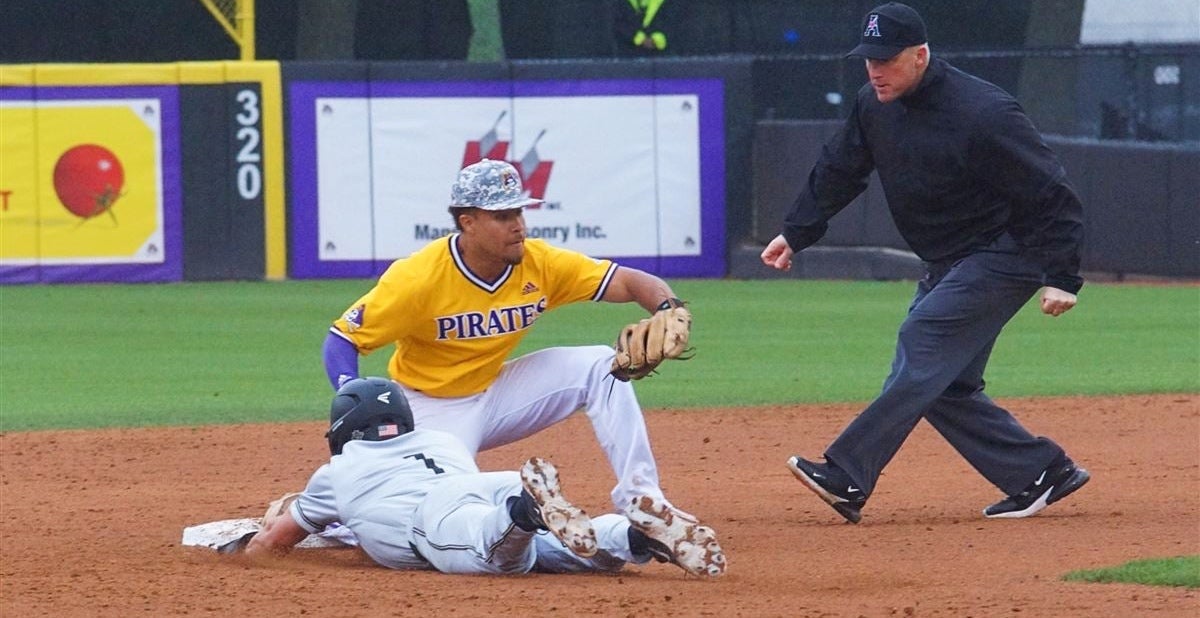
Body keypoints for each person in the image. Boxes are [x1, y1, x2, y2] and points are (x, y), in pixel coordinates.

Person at [760, 2, 1090, 523]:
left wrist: (1062, 276)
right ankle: (1039, 471)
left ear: (920, 55)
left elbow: (1052, 191)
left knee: (921, 343)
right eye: (868, 58)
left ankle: (847, 473)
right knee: (940, 382)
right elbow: (841, 167)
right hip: (948, 259)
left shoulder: (983, 110)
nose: (874, 69)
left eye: (886, 59)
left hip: (1008, 250)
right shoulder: (874, 104)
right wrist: (796, 232)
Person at [322, 158, 713, 530]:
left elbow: (628, 281)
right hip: (432, 410)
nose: (518, 226)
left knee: (602, 367)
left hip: (497, 394)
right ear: (468, 222)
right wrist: (351, 397)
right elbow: (342, 338)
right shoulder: (417, 279)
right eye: (503, 216)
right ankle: (324, 520)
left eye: (519, 213)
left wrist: (669, 307)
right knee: (421, 509)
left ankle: (642, 500)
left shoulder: (538, 263)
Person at [245, 378, 726, 577]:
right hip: (482, 485)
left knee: (497, 558)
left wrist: (251, 555)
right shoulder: (440, 440)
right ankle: (633, 537)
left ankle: (525, 512)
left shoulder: (338, 471)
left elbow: (275, 541)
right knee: (550, 555)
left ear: (345, 429)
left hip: (430, 520)